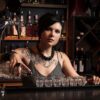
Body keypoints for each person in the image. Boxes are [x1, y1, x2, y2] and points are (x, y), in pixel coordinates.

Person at [10, 13, 100, 85]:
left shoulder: (62, 57)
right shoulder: (27, 53)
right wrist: (14, 55)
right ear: (40, 31)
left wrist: (90, 80)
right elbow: (15, 52)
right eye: (49, 29)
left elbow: (77, 78)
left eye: (57, 31)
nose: (52, 34)